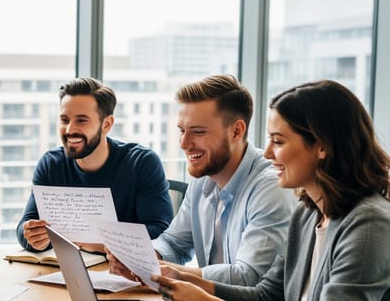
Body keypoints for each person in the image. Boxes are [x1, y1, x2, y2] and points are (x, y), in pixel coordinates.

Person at [153, 80, 390, 301]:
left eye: (278, 142)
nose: (266, 154)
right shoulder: (308, 212)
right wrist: (187, 280)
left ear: (321, 146)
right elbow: (267, 296)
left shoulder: (369, 223)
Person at [109, 75, 293, 285]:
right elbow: (174, 243)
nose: (184, 143)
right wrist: (142, 258)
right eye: (181, 131)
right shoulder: (202, 178)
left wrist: (164, 272)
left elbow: (249, 278)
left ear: (236, 131)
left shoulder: (271, 187)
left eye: (198, 132)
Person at [17, 77, 173, 252]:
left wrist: (105, 244)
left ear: (106, 124)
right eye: (64, 120)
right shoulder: (50, 164)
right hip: (67, 269)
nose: (69, 130)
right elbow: (25, 226)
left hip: (124, 272)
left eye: (81, 120)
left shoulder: (142, 163)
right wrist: (33, 237)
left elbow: (161, 232)